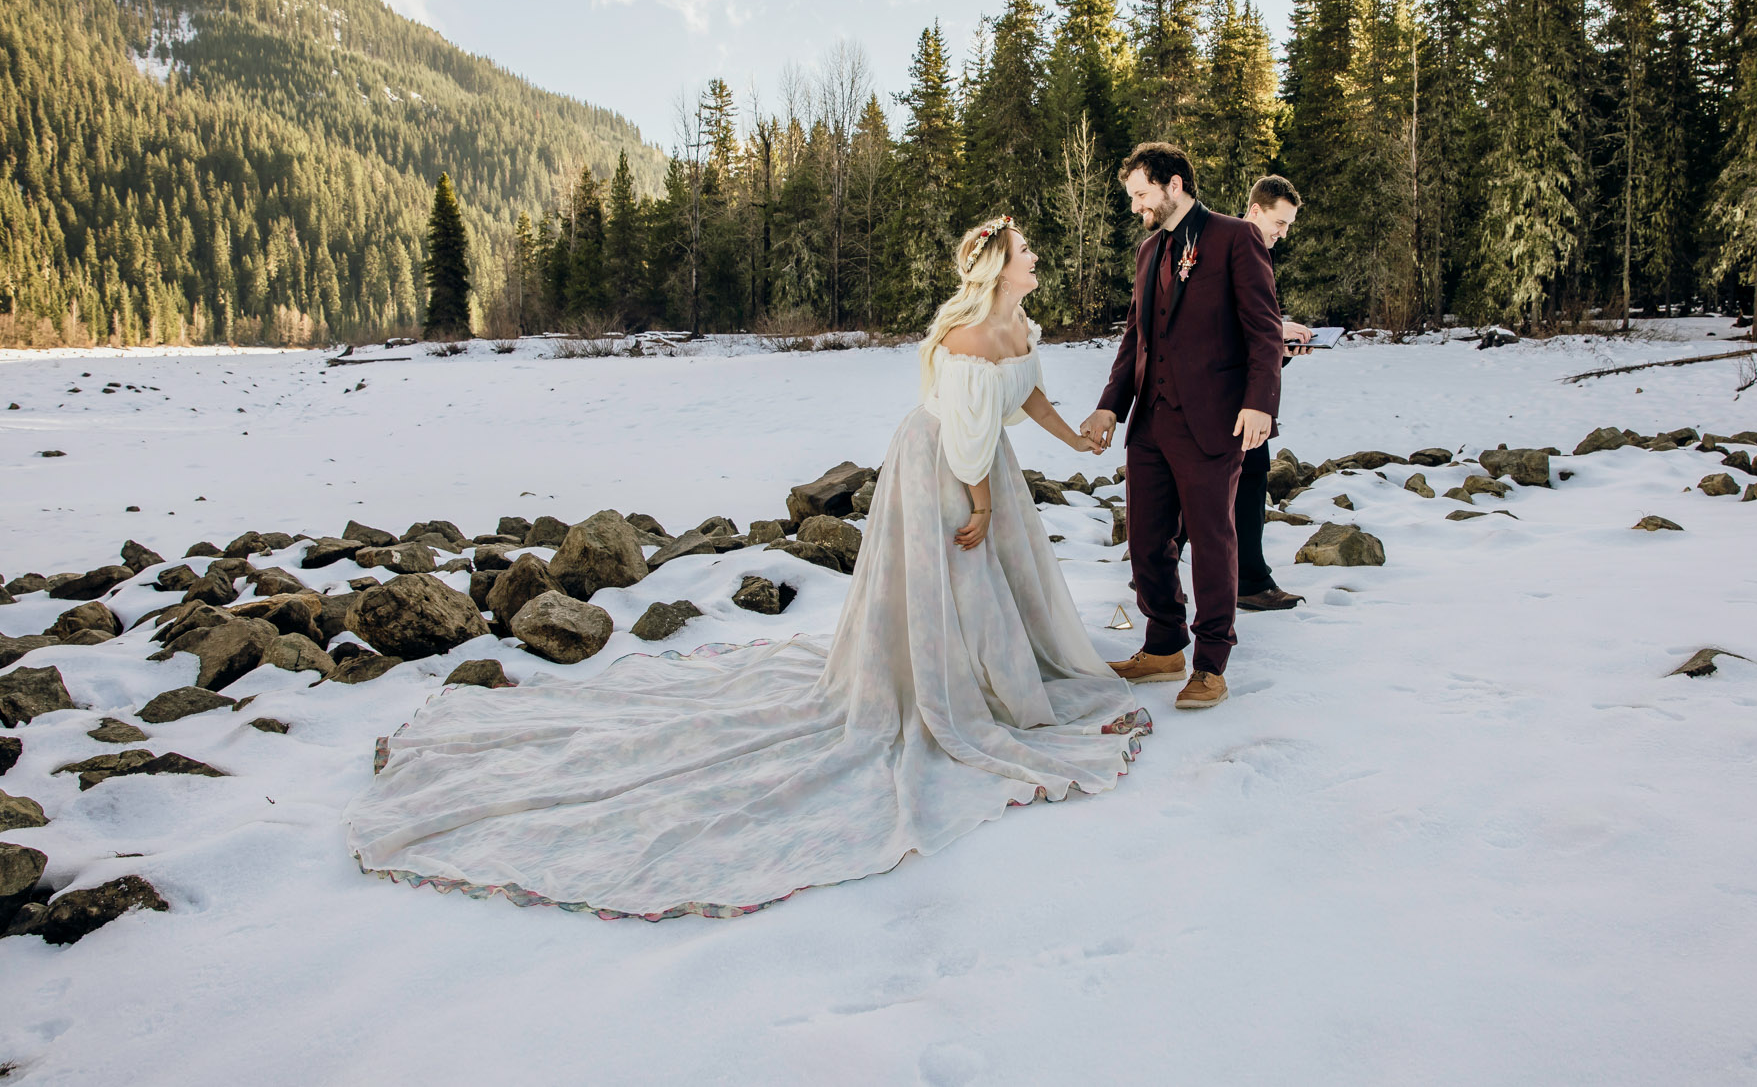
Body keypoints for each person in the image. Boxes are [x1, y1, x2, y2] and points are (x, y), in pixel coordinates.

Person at [345, 218, 1149, 922]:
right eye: (1026, 251)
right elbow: (970, 431)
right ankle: (951, 684)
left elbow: (1025, 395)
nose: (1036, 257)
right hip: (944, 465)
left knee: (994, 582)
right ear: (996, 265)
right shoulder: (967, 339)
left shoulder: (1018, 327)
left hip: (981, 462)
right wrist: (979, 506)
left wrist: (1075, 437)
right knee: (955, 576)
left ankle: (998, 670)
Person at [1080, 143, 1284, 711]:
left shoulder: (1234, 237)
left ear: (1173, 184)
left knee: (1214, 541)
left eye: (1141, 194)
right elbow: (1134, 340)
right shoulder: (1148, 251)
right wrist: (1109, 407)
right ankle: (1164, 643)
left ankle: (1211, 662)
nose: (1136, 205)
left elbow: (1264, 331)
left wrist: (1260, 402)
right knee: (1146, 540)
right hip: (1149, 421)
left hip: (1213, 420)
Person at [1237, 175, 1315, 612]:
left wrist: (1281, 349)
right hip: (1228, 401)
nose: (1282, 234)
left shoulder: (1257, 256)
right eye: (1279, 223)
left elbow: (1251, 336)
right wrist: (1274, 332)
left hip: (1251, 397)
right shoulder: (1229, 251)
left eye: (1288, 226)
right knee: (1231, 490)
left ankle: (1248, 579)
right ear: (1255, 210)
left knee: (1246, 488)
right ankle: (1247, 582)